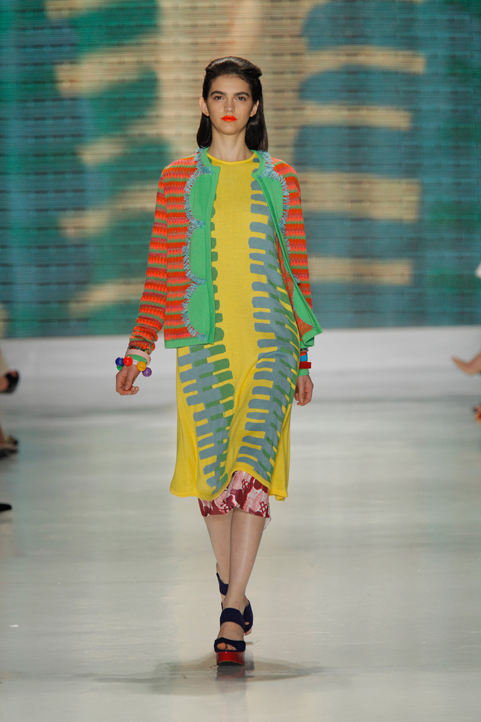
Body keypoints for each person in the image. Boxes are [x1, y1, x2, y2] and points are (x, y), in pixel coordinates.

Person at [116, 57, 322, 666]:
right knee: (214, 479)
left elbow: (295, 267)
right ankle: (229, 574)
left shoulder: (280, 178)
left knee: (250, 470)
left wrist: (303, 356)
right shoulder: (178, 178)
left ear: (255, 108)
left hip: (270, 341)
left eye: (240, 97)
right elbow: (161, 271)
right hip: (203, 346)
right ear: (204, 105)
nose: (229, 107)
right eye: (218, 96)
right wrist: (139, 347)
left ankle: (232, 610)